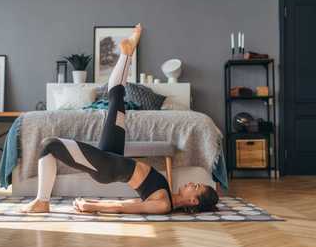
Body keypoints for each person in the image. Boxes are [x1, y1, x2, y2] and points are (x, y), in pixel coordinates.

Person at [21, 23, 219, 214]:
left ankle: (42, 201)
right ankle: (127, 53)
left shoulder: (163, 205)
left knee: (49, 145)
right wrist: (93, 203)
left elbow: (125, 207)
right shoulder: (166, 195)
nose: (192, 183)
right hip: (113, 156)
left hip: (105, 167)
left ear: (193, 200)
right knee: (116, 95)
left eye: (196, 186)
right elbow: (131, 202)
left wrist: (93, 207)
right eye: (197, 183)